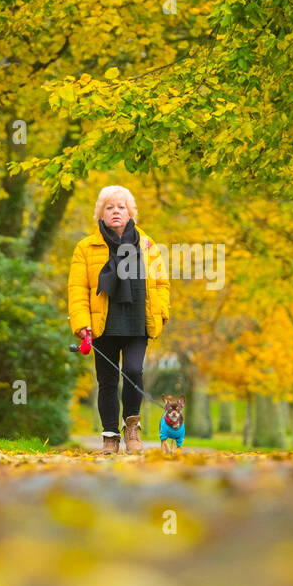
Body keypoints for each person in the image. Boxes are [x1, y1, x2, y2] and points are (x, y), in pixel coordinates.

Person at [68, 186, 170, 453]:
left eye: (121, 207)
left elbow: (162, 284)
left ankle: (132, 429)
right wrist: (81, 322)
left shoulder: (148, 245)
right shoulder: (85, 248)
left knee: (134, 371)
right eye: (110, 207)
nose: (116, 212)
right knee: (108, 379)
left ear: (130, 212)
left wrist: (162, 312)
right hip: (103, 322)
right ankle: (110, 436)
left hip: (138, 319)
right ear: (101, 213)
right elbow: (77, 289)